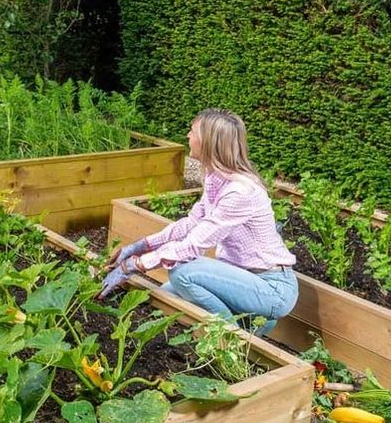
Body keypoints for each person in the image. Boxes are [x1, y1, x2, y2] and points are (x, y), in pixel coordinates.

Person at [99, 108, 298, 337]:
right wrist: (139, 246)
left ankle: (234, 338)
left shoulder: (240, 191)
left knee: (182, 271)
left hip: (271, 289)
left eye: (192, 131)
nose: (187, 136)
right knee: (166, 300)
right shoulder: (216, 179)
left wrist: (133, 266)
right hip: (244, 278)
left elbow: (193, 245)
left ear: (208, 142)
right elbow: (190, 224)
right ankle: (254, 323)